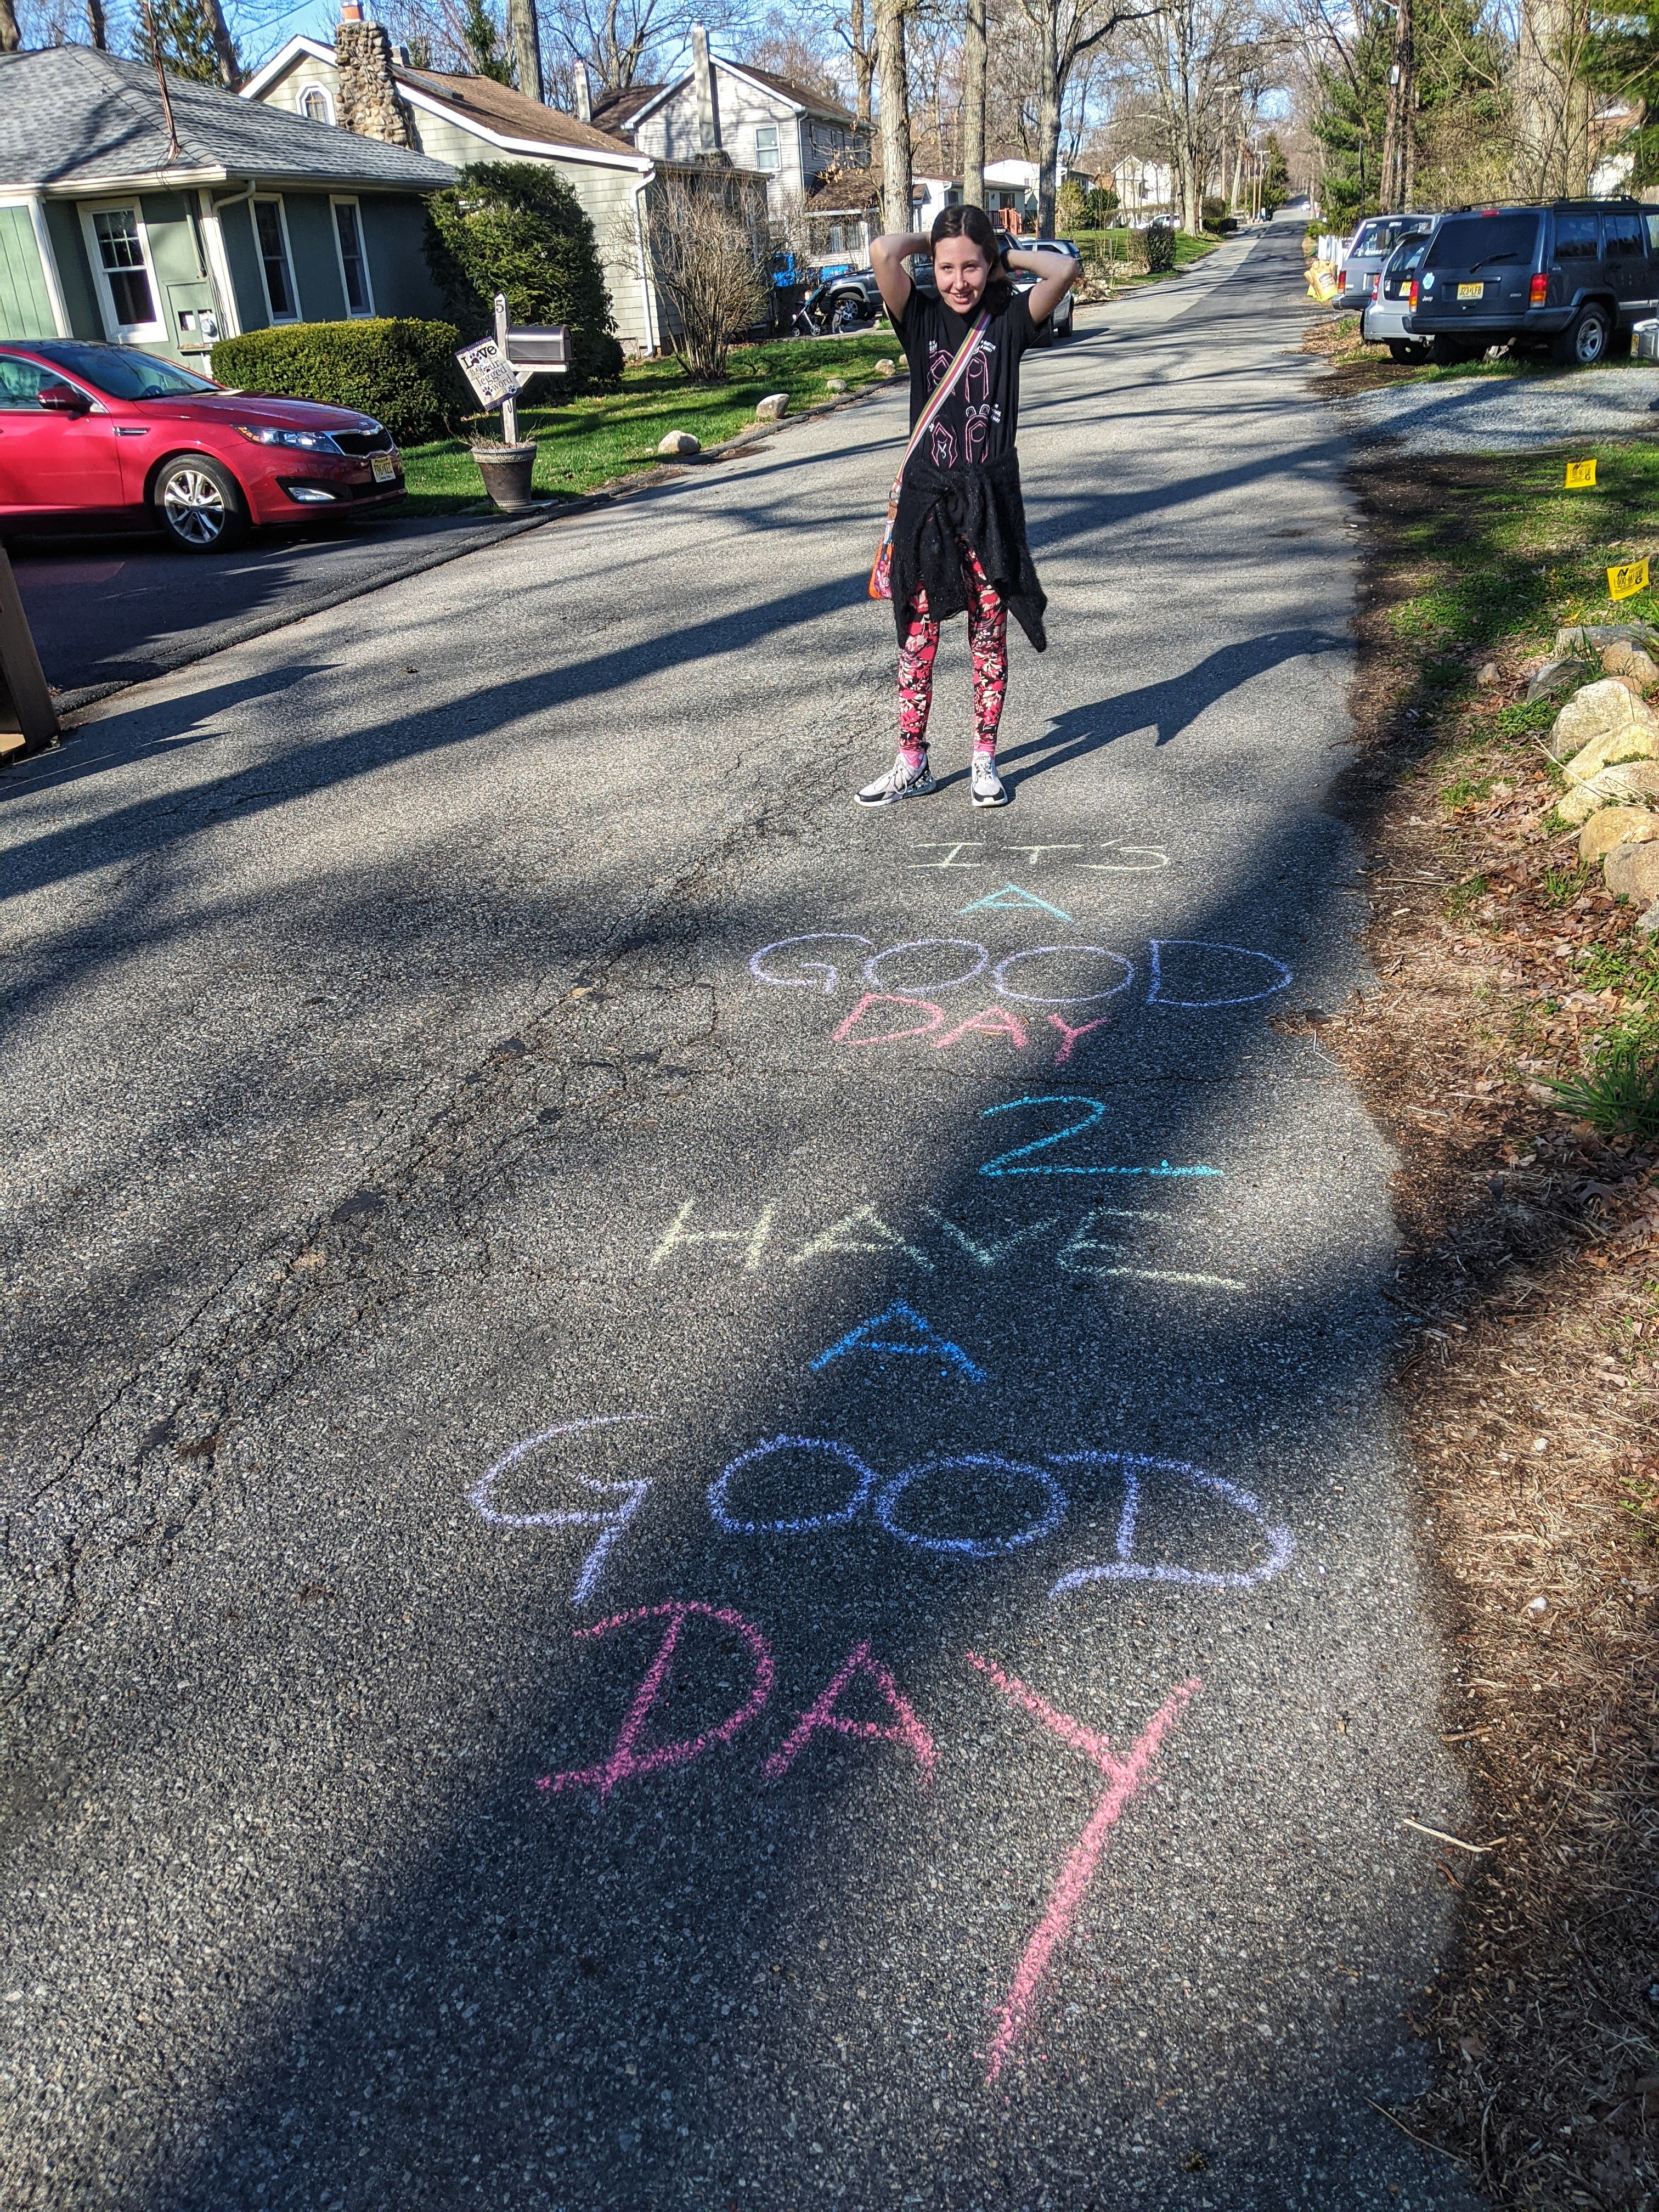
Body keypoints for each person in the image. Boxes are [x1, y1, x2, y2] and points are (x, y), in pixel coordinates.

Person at [856, 206, 1079, 808]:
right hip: (928, 506)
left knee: (988, 635)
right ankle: (913, 761)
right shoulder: (920, 316)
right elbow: (883, 252)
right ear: (933, 266)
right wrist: (936, 240)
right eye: (947, 268)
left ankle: (985, 759)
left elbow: (1063, 271)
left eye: (972, 267)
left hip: (988, 507)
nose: (959, 281)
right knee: (917, 638)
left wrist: (1004, 253)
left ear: (989, 266)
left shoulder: (1009, 319)